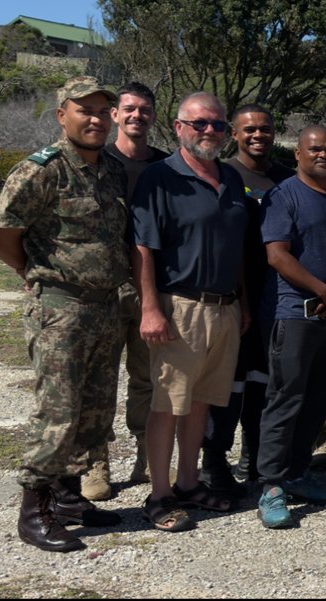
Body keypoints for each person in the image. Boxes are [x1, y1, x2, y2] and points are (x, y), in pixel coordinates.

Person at [0, 76, 127, 552]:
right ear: (61, 115)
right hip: (60, 309)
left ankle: (69, 501)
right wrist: (35, 273)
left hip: (105, 307)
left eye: (102, 111)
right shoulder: (40, 170)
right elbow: (2, 234)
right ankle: (34, 510)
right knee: (59, 413)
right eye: (83, 110)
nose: (95, 119)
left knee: (95, 412)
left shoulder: (111, 169)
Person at [131, 92, 250, 533]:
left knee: (200, 403)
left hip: (224, 308)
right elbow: (143, 245)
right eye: (199, 124)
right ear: (178, 127)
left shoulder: (230, 178)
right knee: (168, 405)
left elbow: (236, 247)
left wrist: (243, 304)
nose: (208, 132)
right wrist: (149, 308)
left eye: (217, 125)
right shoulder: (160, 177)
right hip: (179, 306)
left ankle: (187, 483)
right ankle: (159, 494)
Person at [255, 126, 326, 529]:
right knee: (286, 400)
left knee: (321, 398)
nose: (323, 155)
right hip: (296, 314)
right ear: (297, 154)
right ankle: (272, 486)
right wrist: (324, 290)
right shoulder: (284, 196)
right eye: (315, 149)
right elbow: (277, 256)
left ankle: (298, 473)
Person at [202, 104, 295, 495]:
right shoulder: (222, 175)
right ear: (234, 134)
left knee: (265, 383)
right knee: (227, 385)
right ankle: (214, 463)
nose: (258, 135)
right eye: (249, 129)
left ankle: (258, 458)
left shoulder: (287, 179)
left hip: (276, 298)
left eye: (266, 129)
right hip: (232, 296)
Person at [86, 81, 169, 497]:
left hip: (147, 289)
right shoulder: (97, 161)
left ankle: (144, 455)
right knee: (97, 379)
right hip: (99, 289)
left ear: (153, 117)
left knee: (146, 376)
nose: (137, 116)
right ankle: (94, 463)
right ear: (115, 114)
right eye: (129, 109)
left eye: (144, 110)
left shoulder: (165, 168)